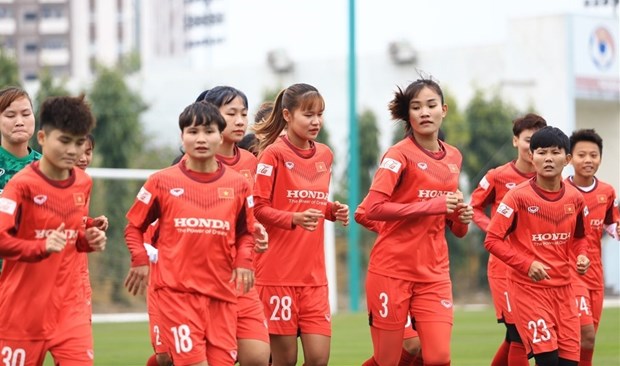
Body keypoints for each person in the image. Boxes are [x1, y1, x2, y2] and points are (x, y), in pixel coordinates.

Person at [124, 101, 256, 366]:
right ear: (182, 137)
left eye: (208, 132)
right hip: (178, 296)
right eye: (192, 132)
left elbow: (246, 233)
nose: (200, 139)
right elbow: (133, 226)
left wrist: (243, 261)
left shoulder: (239, 185)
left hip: (223, 297)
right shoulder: (161, 182)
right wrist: (139, 258)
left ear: (221, 137)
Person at [359, 77, 473, 366]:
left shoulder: (454, 158)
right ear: (407, 115)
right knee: (388, 360)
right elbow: (371, 208)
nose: (425, 112)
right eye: (417, 107)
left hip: (434, 274)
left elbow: (456, 230)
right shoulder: (397, 155)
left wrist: (460, 217)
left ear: (443, 110)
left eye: (431, 105)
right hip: (391, 270)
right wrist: (429, 206)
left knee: (438, 357)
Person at [0, 95, 106, 366]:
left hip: (68, 306)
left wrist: (88, 238)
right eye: (65, 141)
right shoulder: (21, 184)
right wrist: (41, 247)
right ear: (44, 137)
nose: (74, 151)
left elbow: (71, 236)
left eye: (80, 142)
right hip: (22, 305)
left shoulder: (83, 182)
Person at [252, 83, 349, 366]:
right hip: (277, 276)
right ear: (287, 115)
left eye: (320, 114)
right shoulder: (272, 154)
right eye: (308, 114)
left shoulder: (325, 155)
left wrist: (332, 210)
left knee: (319, 360)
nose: (316, 121)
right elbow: (258, 208)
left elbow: (312, 202)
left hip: (314, 279)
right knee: (285, 362)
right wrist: (293, 219)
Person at [484, 126, 591, 366]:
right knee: (549, 361)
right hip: (529, 291)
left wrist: (582, 256)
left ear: (568, 159)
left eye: (555, 152)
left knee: (569, 364)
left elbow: (580, 237)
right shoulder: (517, 197)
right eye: (542, 152)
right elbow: (492, 239)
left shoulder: (575, 198)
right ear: (532, 157)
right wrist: (526, 264)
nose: (549, 158)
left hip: (564, 291)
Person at [197, 86, 270, 366]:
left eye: (243, 114)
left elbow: (248, 213)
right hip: (202, 279)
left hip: (242, 276)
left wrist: (255, 231)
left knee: (257, 357)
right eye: (231, 114)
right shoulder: (193, 164)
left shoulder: (250, 161)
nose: (240, 121)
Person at [469, 113, 547, 366]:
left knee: (518, 334)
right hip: (504, 266)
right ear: (515, 141)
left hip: (537, 267)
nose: (532, 146)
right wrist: (495, 229)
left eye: (538, 141)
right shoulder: (498, 176)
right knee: (519, 333)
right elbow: (475, 207)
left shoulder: (548, 179)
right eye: (527, 140)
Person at [566, 129, 619, 366]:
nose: (588, 160)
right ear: (570, 158)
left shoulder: (607, 192)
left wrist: (616, 229)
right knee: (585, 335)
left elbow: (610, 223)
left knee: (589, 340)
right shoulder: (561, 190)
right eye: (581, 155)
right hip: (570, 272)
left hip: (596, 275)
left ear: (600, 158)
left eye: (593, 155)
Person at [0, 86, 42, 271]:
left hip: (33, 274)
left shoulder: (47, 168)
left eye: (26, 114)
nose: (19, 121)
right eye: (10, 115)